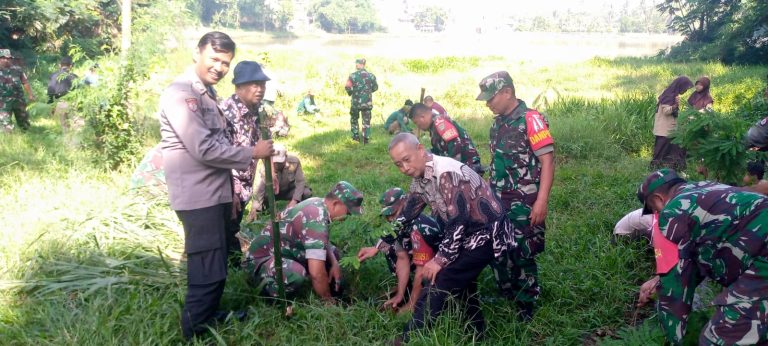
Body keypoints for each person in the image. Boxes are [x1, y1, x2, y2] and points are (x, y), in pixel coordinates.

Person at [158, 31, 274, 340]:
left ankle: (209, 314)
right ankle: (194, 328)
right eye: (214, 59)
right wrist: (253, 152)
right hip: (198, 197)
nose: (219, 67)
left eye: (225, 62)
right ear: (197, 53)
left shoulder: (206, 94)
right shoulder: (182, 95)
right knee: (207, 265)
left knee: (217, 261)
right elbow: (204, 149)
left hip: (215, 192)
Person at [388, 133, 511, 343]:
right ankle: (477, 332)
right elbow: (408, 214)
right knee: (463, 283)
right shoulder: (421, 179)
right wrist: (382, 242)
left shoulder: (446, 172)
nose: (405, 168)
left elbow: (459, 221)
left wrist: (439, 260)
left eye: (407, 160)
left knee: (440, 279)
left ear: (420, 149)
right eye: (399, 164)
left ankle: (410, 338)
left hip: (487, 235)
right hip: (465, 236)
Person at [635, 169, 768, 345]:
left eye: (653, 209)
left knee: (716, 339)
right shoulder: (707, 188)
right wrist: (659, 280)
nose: (656, 215)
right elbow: (696, 261)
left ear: (659, 199)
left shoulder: (671, 214)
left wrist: (672, 339)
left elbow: (672, 292)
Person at [476, 71, 555, 320]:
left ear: (507, 92)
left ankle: (526, 301)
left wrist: (541, 201)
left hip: (525, 200)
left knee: (523, 251)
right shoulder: (498, 123)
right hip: (498, 199)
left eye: (491, 98)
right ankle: (506, 290)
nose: (488, 103)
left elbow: (548, 161)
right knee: (498, 246)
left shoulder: (531, 120)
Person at [246, 181, 363, 301]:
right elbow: (317, 274)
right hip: (260, 261)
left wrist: (334, 263)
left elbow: (322, 242)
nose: (347, 217)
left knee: (334, 253)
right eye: (348, 212)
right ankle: (270, 295)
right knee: (296, 274)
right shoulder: (315, 218)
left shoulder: (320, 204)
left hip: (286, 252)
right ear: (336, 204)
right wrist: (328, 301)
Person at [356, 187, 443, 313]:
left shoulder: (418, 227)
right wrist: (400, 295)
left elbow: (421, 271)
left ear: (405, 204)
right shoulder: (400, 224)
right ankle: (403, 291)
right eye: (387, 215)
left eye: (393, 213)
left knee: (425, 278)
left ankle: (420, 302)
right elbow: (402, 258)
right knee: (389, 248)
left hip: (439, 262)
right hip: (420, 256)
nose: (390, 219)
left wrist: (411, 305)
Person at [219, 60, 272, 268]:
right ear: (238, 86)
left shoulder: (255, 110)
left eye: (262, 84)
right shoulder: (226, 113)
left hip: (245, 182)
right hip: (230, 184)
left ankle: (232, 266)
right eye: (253, 84)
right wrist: (229, 189)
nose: (259, 89)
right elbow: (221, 154)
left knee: (233, 226)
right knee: (225, 230)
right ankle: (228, 270)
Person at [408, 103, 483, 175]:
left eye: (416, 122)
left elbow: (456, 146)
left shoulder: (440, 123)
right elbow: (438, 151)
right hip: (461, 165)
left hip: (468, 166)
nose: (417, 126)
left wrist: (450, 172)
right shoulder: (433, 127)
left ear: (422, 117)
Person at [249, 144, 313, 220]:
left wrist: (295, 200)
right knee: (261, 206)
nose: (277, 165)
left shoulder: (294, 162)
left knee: (306, 193)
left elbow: (300, 182)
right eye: (275, 162)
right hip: (271, 193)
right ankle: (267, 207)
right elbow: (260, 188)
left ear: (286, 157)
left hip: (288, 191)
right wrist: (255, 208)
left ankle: (293, 206)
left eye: (280, 162)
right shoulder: (265, 166)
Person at [651, 76, 693, 170]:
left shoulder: (672, 94)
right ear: (680, 86)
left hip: (669, 128)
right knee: (662, 149)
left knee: (673, 149)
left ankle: (672, 167)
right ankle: (657, 168)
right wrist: (675, 105)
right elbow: (666, 111)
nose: (685, 91)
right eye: (685, 88)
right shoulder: (668, 95)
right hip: (664, 128)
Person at [345, 58, 378, 143]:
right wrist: (367, 93)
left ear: (360, 64)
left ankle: (355, 137)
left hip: (356, 103)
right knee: (366, 121)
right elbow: (375, 87)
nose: (356, 65)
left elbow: (348, 87)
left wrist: (352, 93)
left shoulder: (352, 76)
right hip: (367, 103)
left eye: (357, 63)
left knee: (354, 119)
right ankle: (365, 139)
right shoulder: (371, 76)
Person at [0, 49, 25, 132]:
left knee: (23, 122)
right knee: (6, 122)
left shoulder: (18, 69)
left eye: (9, 58)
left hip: (18, 100)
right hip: (3, 102)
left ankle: (25, 133)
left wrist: (31, 95)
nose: (7, 60)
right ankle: (9, 138)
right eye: (4, 58)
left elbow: (25, 82)